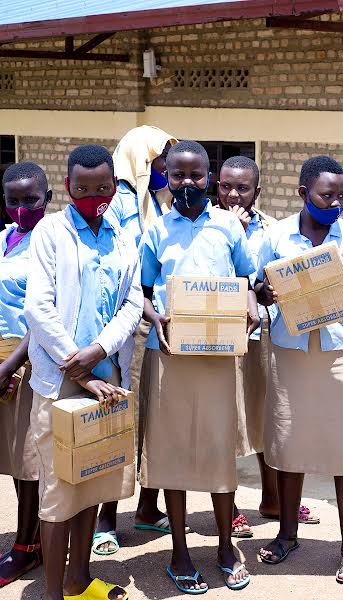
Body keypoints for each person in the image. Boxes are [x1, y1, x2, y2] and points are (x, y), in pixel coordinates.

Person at [138, 140, 258, 594]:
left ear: (209, 177)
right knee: (173, 452)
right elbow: (142, 291)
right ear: (166, 178)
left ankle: (226, 547)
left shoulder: (228, 226)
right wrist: (156, 319)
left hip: (217, 356)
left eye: (195, 175)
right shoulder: (155, 231)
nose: (187, 182)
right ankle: (180, 553)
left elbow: (247, 278)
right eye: (177, 175)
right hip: (169, 355)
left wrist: (249, 307)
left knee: (216, 449)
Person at [25, 144, 143, 600]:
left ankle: (78, 579)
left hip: (106, 380)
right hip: (59, 382)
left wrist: (99, 350)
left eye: (102, 188)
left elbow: (132, 301)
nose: (93, 197)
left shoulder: (122, 235)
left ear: (114, 186)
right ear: (67, 186)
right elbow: (39, 307)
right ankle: (53, 592)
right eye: (82, 189)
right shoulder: (50, 232)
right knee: (59, 490)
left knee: (91, 480)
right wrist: (78, 365)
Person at [255, 155, 343, 583]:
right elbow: (257, 285)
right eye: (327, 196)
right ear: (303, 194)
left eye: (342, 196)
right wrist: (265, 293)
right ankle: (287, 534)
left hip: (339, 352)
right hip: (289, 350)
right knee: (289, 441)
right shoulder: (276, 236)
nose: (336, 203)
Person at [216, 155, 320, 537]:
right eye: (226, 187)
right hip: (221, 339)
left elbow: (269, 282)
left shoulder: (274, 231)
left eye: (242, 188)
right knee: (226, 418)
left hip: (265, 334)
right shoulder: (209, 227)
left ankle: (273, 499)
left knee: (268, 417)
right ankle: (227, 507)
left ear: (257, 192)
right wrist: (232, 230)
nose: (233, 195)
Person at [96, 125, 178, 555]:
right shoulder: (117, 202)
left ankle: (147, 508)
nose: (166, 167)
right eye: (160, 160)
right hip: (120, 327)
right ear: (141, 160)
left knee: (153, 417)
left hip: (152, 323)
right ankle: (105, 521)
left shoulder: (158, 202)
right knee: (118, 419)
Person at [0, 162, 51, 587]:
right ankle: (30, 539)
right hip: (1, 357)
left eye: (30, 199)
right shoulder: (4, 238)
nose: (21, 207)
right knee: (13, 457)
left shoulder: (49, 244)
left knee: (29, 459)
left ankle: (27, 546)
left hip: (26, 361)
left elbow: (42, 313)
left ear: (47, 198)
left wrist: (9, 365)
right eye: (13, 200)